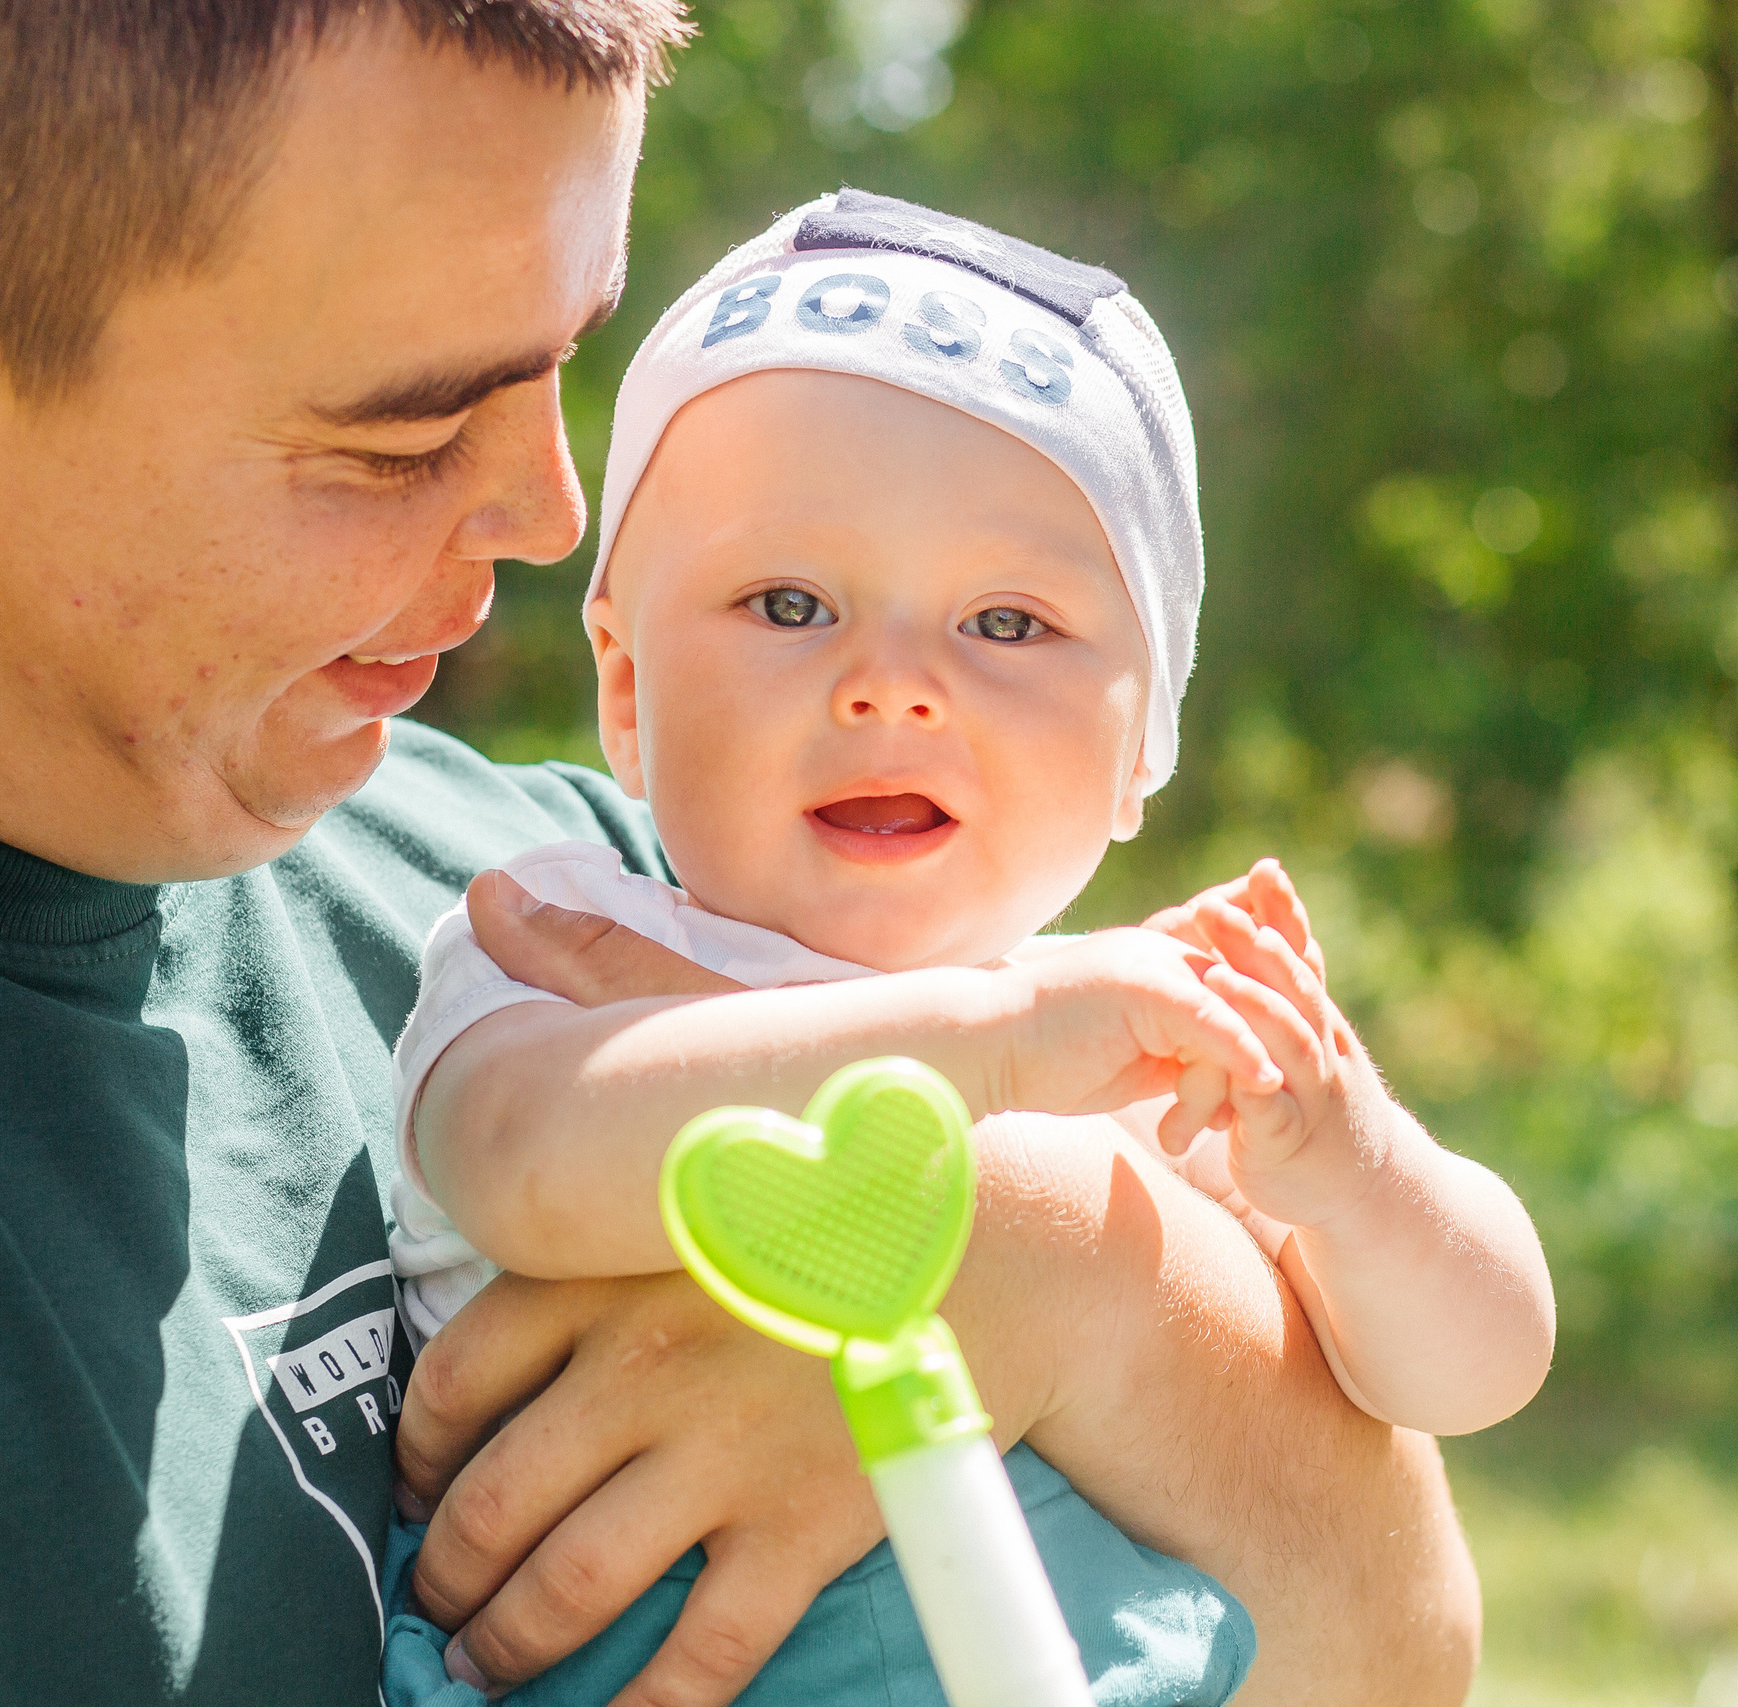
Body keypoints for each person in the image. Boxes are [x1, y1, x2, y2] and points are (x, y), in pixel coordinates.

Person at [0, 5, 1479, 1705]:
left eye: (564, 361)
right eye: (400, 431)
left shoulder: (561, 893)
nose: (555, 515)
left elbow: (1400, 1636)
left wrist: (1066, 1270)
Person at [378, 192, 1554, 1704]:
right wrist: (994, 1050)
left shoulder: (1121, 1045)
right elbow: (523, 1166)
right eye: (789, 603)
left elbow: (1475, 1370)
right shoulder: (564, 943)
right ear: (625, 688)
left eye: (1006, 623)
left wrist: (1352, 1169)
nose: (891, 685)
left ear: (1145, 743)